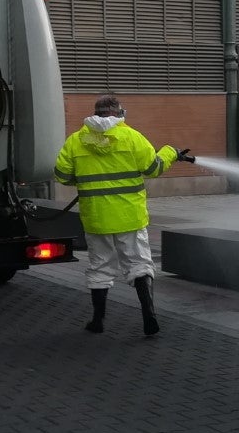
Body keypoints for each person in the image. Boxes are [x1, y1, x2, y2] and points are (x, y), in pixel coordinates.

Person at [54, 94, 194, 336]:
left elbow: (62, 175)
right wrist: (170, 152)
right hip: (130, 217)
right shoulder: (131, 136)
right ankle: (149, 315)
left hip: (96, 217)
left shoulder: (77, 140)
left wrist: (85, 177)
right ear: (119, 113)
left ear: (95, 113)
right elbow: (154, 168)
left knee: (100, 268)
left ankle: (98, 321)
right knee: (139, 265)